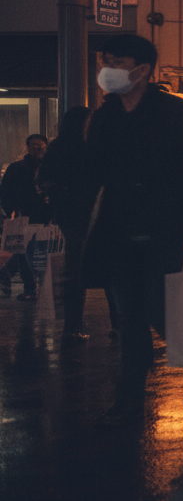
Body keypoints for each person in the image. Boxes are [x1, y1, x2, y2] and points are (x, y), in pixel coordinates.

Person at [82, 34, 183, 426]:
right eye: (104, 62)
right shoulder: (104, 116)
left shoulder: (175, 114)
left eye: (116, 63)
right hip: (118, 229)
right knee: (129, 316)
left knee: (160, 310)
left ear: (141, 70)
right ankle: (129, 399)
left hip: (166, 228)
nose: (107, 70)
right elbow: (93, 173)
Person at [36, 108, 95, 339]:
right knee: (107, 266)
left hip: (67, 213)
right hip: (91, 212)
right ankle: (116, 325)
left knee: (73, 268)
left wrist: (57, 196)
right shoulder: (91, 146)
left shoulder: (57, 147)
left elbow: (42, 180)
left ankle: (72, 325)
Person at [1, 134, 50, 300]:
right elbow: (6, 191)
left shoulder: (49, 167)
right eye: (33, 145)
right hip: (25, 215)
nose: (37, 148)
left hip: (44, 216)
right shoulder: (17, 168)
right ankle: (30, 288)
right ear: (28, 147)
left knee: (31, 252)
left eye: (40, 145)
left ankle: (10, 277)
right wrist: (10, 211)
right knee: (25, 252)